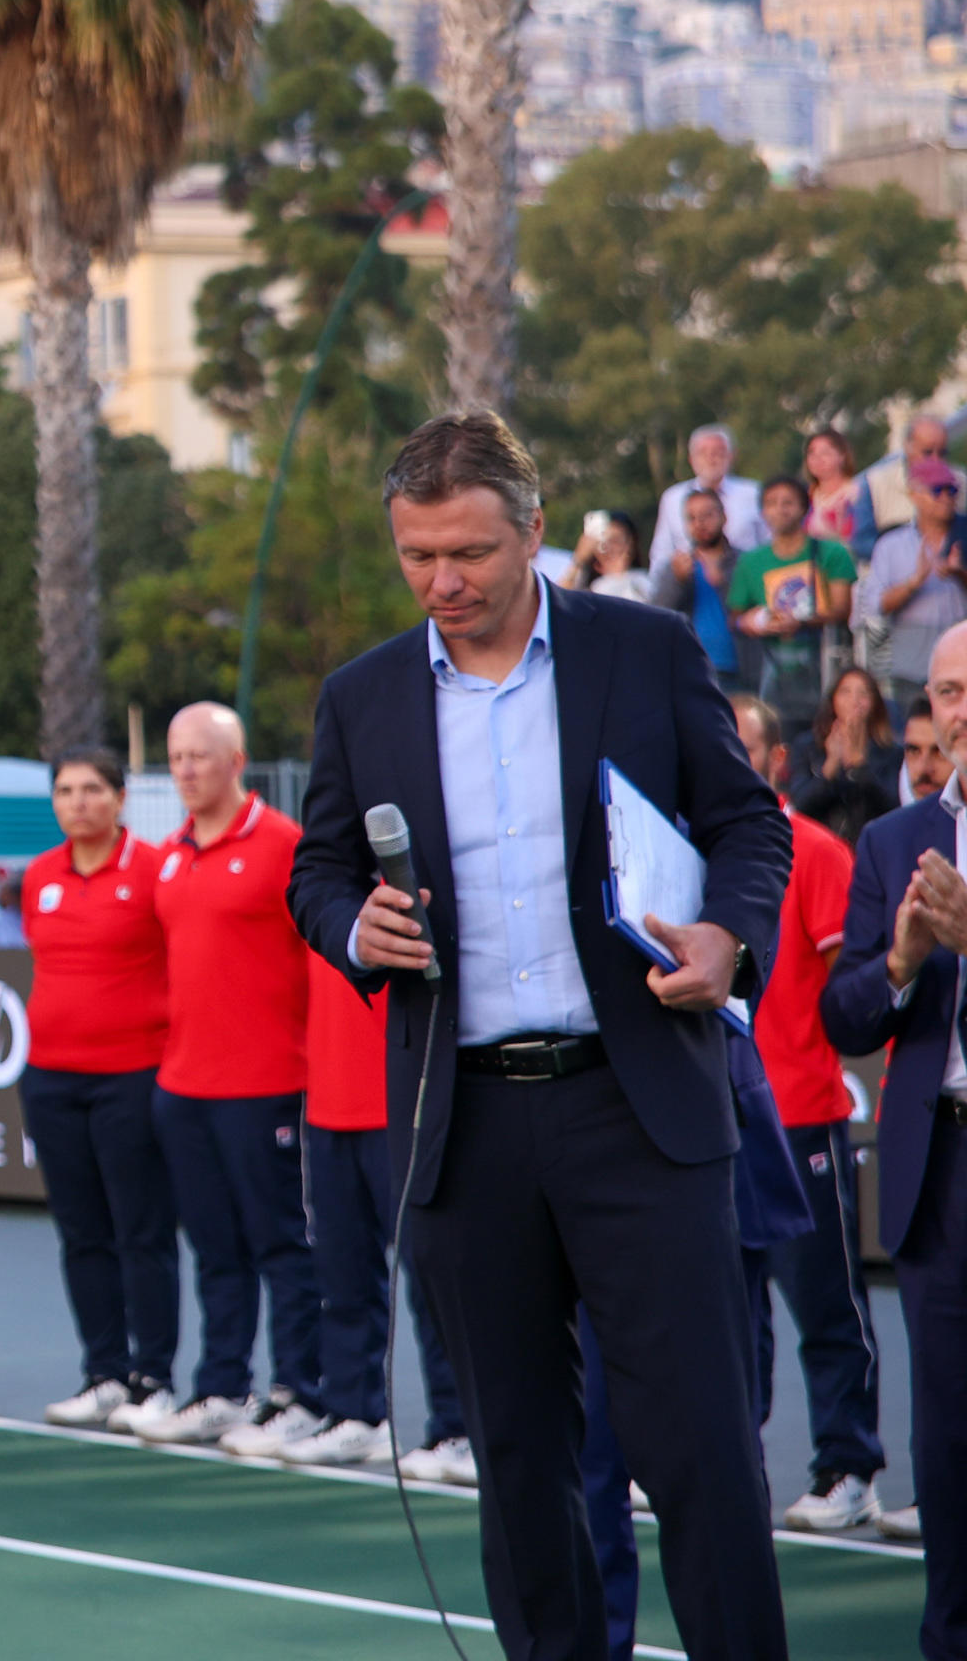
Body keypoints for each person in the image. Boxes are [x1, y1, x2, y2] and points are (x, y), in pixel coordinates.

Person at [287, 410, 794, 1661]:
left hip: (640, 1109)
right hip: (464, 1127)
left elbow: (749, 824)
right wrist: (354, 927)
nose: (442, 582)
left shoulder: (646, 649)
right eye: (417, 555)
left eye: (468, 552)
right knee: (518, 1463)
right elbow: (318, 871)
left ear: (534, 531)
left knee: (701, 1452)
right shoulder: (361, 695)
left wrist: (728, 938)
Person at [129, 703, 325, 1453]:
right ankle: (221, 1388)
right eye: (175, 756)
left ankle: (300, 1392)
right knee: (214, 1248)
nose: (184, 769)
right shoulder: (169, 855)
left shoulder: (283, 845)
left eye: (199, 755)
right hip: (184, 1087)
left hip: (268, 1083)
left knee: (282, 1246)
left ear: (237, 762)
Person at [826, 616, 967, 1642]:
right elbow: (843, 1015)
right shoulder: (892, 839)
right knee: (948, 1437)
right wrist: (903, 963)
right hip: (941, 1166)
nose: (962, 712)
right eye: (950, 692)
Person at [726, 695, 889, 1534]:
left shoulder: (816, 852)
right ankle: (731, 1462)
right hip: (718, 1122)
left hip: (799, 1118)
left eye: (741, 745)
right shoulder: (697, 854)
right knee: (727, 1310)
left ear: (777, 760)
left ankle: (848, 1466)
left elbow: (847, 989)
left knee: (825, 1304)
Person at [297, 781, 474, 1481]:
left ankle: (458, 1426)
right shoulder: (317, 886)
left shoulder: (424, 881)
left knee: (432, 1280)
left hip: (407, 1105)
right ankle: (355, 1414)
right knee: (342, 1275)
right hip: (329, 1106)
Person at [19, 746, 180, 1431]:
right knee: (81, 1233)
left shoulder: (155, 869)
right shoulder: (38, 875)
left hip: (134, 1076)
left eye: (91, 789)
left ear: (120, 799)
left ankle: (154, 1378)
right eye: (65, 790)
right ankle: (104, 1373)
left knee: (141, 1231)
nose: (77, 802)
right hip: (50, 1079)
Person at [728, 474, 854, 715]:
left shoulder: (831, 552)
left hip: (823, 667)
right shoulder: (750, 562)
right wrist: (757, 622)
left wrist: (801, 622)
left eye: (788, 502)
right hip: (771, 671)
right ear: (762, 511)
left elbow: (842, 609)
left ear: (804, 508)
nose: (780, 510)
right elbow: (735, 617)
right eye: (771, 503)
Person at [866, 455, 967, 717]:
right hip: (910, 667)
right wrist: (913, 583)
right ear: (915, 495)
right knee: (912, 734)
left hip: (961, 668)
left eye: (952, 490)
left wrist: (959, 575)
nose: (946, 497)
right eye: (937, 490)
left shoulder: (964, 536)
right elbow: (877, 605)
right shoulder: (891, 545)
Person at [789, 665, 900, 845]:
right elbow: (800, 806)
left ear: (874, 703)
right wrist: (830, 767)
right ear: (833, 699)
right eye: (845, 692)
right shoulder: (807, 746)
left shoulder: (891, 752)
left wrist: (858, 767)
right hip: (823, 845)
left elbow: (892, 807)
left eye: (863, 693)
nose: (854, 701)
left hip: (870, 844)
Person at [646, 421, 762, 588]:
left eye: (718, 452)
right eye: (703, 453)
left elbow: (769, 542)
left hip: (746, 582)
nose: (711, 458)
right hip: (691, 587)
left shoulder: (754, 493)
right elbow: (661, 553)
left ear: (732, 456)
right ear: (691, 459)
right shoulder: (673, 498)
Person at [656, 483, 746, 689]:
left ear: (724, 517)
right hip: (692, 669)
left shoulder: (744, 562)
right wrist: (678, 581)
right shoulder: (676, 566)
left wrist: (722, 581)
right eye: (692, 518)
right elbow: (658, 613)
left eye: (707, 515)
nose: (700, 523)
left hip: (741, 669)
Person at [854, 410, 949, 560]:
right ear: (907, 447)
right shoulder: (873, 484)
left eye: (942, 453)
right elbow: (861, 544)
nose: (935, 460)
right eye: (927, 452)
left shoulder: (960, 482)